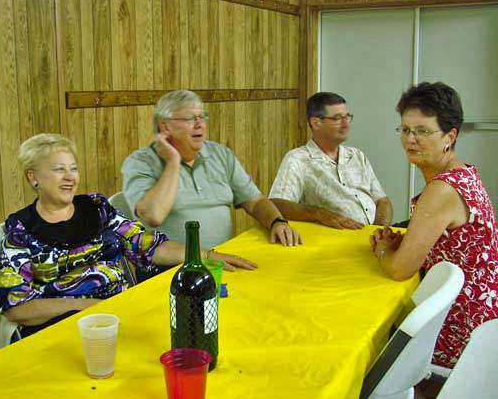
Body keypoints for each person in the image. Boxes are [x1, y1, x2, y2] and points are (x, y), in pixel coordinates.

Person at [0, 134, 256, 338]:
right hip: (69, 328)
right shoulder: (22, 230)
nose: (70, 178)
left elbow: (148, 246)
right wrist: (86, 306)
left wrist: (205, 255)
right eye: (58, 170)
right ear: (33, 177)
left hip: (125, 311)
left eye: (73, 169)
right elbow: (17, 307)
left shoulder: (96, 207)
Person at [369, 82, 498, 386]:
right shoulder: (462, 173)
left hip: (461, 330)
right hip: (484, 318)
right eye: (404, 129)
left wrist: (383, 250)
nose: (410, 140)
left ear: (450, 136)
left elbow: (400, 269)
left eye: (423, 131)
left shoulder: (442, 189)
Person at [121, 90, 302, 249]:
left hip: (221, 261)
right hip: (169, 269)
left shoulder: (220, 155)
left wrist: (277, 222)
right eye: (190, 119)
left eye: (202, 117)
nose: (199, 124)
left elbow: (255, 201)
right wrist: (173, 162)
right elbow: (154, 216)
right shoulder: (140, 162)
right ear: (165, 126)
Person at [269, 92, 392, 229]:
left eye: (347, 117)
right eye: (338, 118)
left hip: (374, 237)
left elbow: (383, 201)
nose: (346, 124)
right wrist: (319, 214)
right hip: (336, 241)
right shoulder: (298, 159)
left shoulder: (357, 155)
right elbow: (277, 204)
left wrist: (379, 231)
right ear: (316, 123)